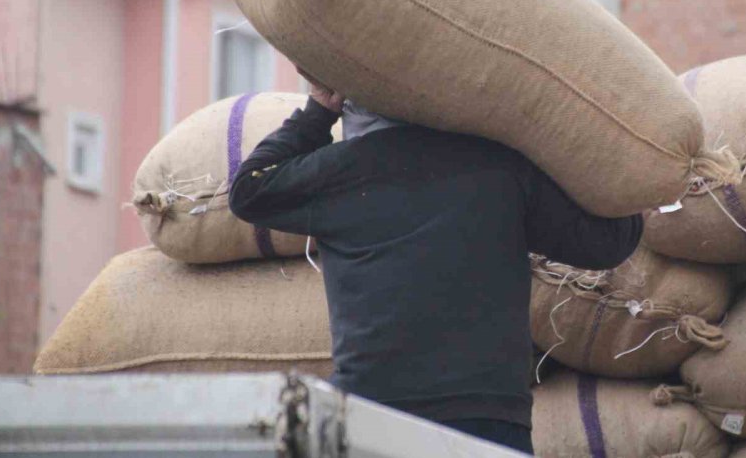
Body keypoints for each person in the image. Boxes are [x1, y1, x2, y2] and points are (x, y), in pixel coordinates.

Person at [229, 78, 643, 454]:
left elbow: (249, 189)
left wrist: (319, 111)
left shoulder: (342, 171)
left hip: (373, 417)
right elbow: (608, 244)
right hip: (487, 420)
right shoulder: (500, 168)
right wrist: (620, 173)